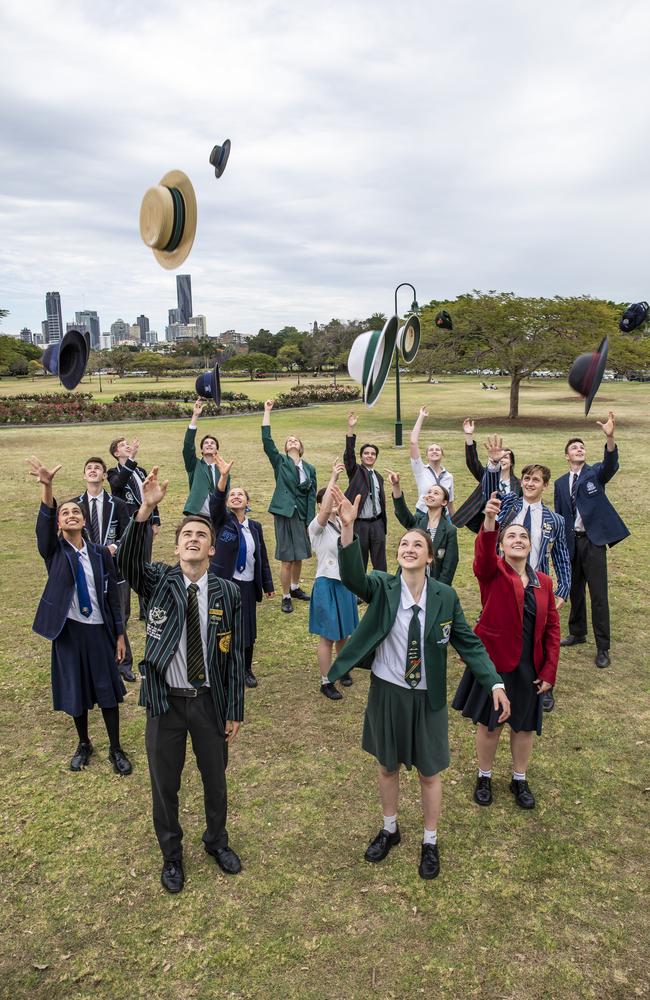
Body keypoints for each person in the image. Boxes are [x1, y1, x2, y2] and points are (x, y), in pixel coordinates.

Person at [327, 486, 510, 881]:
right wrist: (347, 531)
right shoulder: (381, 587)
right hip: (388, 693)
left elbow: (468, 642)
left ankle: (430, 840)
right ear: (398, 555)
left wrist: (494, 682)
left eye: (417, 544)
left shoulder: (444, 597)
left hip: (428, 698)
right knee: (387, 766)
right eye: (404, 543)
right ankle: (390, 829)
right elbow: (353, 576)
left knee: (430, 772)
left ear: (429, 557)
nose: (409, 548)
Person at [117, 467, 245, 895]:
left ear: (211, 548)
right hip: (165, 702)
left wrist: (233, 711)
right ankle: (172, 855)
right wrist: (146, 509)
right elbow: (127, 563)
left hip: (209, 701)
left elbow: (234, 657)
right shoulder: (158, 582)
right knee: (164, 784)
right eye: (186, 534)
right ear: (176, 547)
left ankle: (216, 842)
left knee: (216, 779)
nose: (193, 538)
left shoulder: (226, 593)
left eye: (201, 535)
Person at [452, 494, 560, 810]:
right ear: (502, 546)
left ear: (530, 546)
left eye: (523, 536)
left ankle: (519, 779)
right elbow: (482, 556)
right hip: (495, 664)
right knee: (490, 724)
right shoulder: (493, 572)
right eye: (510, 536)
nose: (517, 540)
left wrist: (549, 670)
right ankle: (484, 776)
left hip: (530, 667)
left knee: (524, 725)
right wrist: (489, 522)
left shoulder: (544, 583)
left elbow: (553, 629)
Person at [27, 456, 132, 776]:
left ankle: (116, 747)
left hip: (98, 630)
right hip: (69, 631)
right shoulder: (54, 551)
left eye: (76, 512)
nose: (71, 515)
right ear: (59, 524)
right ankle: (84, 742)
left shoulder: (100, 554)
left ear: (84, 522)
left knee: (107, 690)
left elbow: (113, 597)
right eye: (65, 513)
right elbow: (43, 528)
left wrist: (118, 634)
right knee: (77, 690)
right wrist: (48, 489)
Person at [554, 411, 630, 669]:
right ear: (567, 455)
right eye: (574, 447)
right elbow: (560, 515)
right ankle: (577, 632)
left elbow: (611, 466)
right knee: (575, 590)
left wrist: (610, 439)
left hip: (593, 542)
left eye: (582, 447)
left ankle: (603, 647)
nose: (579, 449)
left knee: (598, 595)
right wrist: (560, 544)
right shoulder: (560, 483)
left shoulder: (595, 473)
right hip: (571, 542)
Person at [208, 453, 275, 689]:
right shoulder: (221, 521)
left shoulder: (254, 526)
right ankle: (223, 667)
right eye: (232, 495)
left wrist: (267, 585)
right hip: (225, 583)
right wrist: (223, 477)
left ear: (248, 502)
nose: (236, 497)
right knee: (224, 626)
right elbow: (215, 503)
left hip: (247, 584)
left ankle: (246, 668)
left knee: (247, 628)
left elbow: (262, 557)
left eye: (240, 495)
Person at [73, 457, 134, 682]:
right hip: (87, 569)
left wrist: (115, 546)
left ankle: (124, 664)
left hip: (115, 567)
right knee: (91, 615)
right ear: (84, 475)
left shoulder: (117, 503)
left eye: (97, 468)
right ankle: (98, 663)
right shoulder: (75, 505)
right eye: (88, 468)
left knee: (120, 615)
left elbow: (128, 531)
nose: (92, 471)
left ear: (104, 476)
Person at [308, 459, 359, 701]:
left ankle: (343, 668)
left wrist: (348, 520)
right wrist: (334, 479)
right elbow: (326, 510)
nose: (332, 504)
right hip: (326, 584)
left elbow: (350, 547)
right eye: (327, 500)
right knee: (328, 636)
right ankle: (326, 680)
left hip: (345, 584)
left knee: (344, 634)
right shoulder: (316, 528)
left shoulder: (342, 524)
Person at [261, 399, 317, 613]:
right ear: (285, 448)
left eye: (296, 441)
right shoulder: (280, 462)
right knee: (287, 558)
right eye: (289, 441)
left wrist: (310, 520)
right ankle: (285, 596)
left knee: (300, 554)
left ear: (301, 447)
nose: (293, 442)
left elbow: (312, 495)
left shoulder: (310, 468)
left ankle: (295, 587)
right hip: (284, 513)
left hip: (302, 515)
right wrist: (267, 411)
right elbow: (267, 441)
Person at [108, 435, 161, 621]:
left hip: (146, 520)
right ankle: (123, 609)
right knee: (126, 564)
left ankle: (145, 608)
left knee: (144, 563)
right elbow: (119, 484)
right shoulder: (113, 472)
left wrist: (155, 520)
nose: (127, 446)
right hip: (128, 523)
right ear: (116, 453)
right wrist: (131, 459)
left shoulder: (141, 471)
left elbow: (152, 496)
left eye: (127, 444)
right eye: (123, 446)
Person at [387, 471, 459, 586]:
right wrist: (396, 486)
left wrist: (439, 590)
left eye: (436, 493)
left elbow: (449, 566)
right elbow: (401, 513)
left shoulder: (450, 531)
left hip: (432, 585)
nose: (430, 495)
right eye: (429, 492)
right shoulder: (417, 522)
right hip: (408, 582)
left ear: (444, 502)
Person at [452, 419, 521, 533]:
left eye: (506, 457)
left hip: (508, 526)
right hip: (485, 523)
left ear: (512, 462)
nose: (502, 460)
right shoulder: (486, 475)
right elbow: (472, 463)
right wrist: (469, 437)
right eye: (500, 457)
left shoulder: (518, 484)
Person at [344, 411, 387, 571]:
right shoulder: (356, 472)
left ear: (376, 457)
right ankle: (358, 594)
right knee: (359, 562)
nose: (370, 456)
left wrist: (382, 524)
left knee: (380, 563)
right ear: (361, 457)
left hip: (377, 524)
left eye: (373, 454)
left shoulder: (379, 477)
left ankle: (380, 591)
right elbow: (349, 455)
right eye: (366, 453)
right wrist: (351, 429)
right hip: (360, 525)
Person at [182, 398, 229, 516]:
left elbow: (225, 492)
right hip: (197, 514)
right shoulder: (194, 465)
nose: (209, 444)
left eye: (212, 443)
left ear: (216, 450)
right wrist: (195, 416)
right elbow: (188, 445)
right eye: (206, 443)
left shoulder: (223, 469)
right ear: (201, 450)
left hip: (218, 516)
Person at [409, 406, 455, 516]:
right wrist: (421, 417)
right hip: (424, 514)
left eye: (437, 449)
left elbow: (450, 502)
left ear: (442, 454)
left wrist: (453, 522)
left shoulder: (449, 476)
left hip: (444, 517)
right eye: (431, 450)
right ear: (426, 455)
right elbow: (413, 442)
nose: (434, 451)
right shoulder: (420, 470)